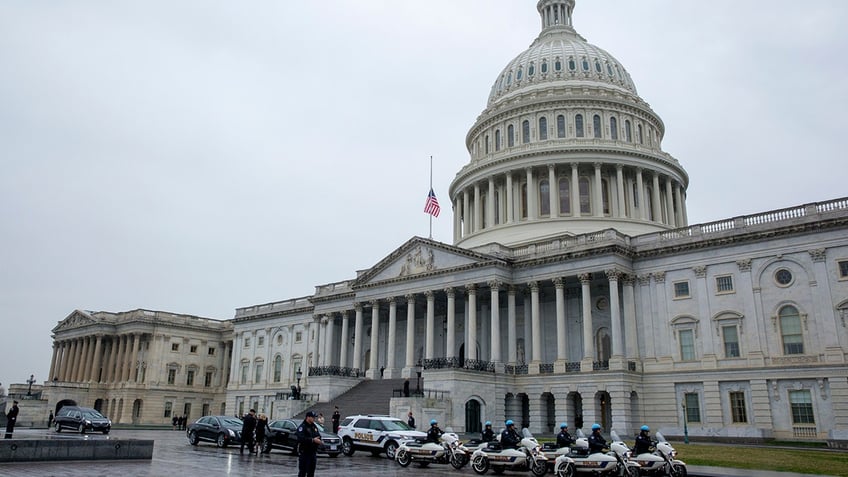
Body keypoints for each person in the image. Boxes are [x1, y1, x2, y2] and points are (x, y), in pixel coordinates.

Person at [296, 410, 322, 477]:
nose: (314, 419)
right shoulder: (302, 427)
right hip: (305, 453)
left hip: (313, 453)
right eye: (313, 417)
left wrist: (318, 440)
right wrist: (312, 440)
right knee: (303, 472)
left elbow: (318, 435)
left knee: (311, 472)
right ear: (308, 417)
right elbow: (301, 438)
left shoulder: (314, 426)